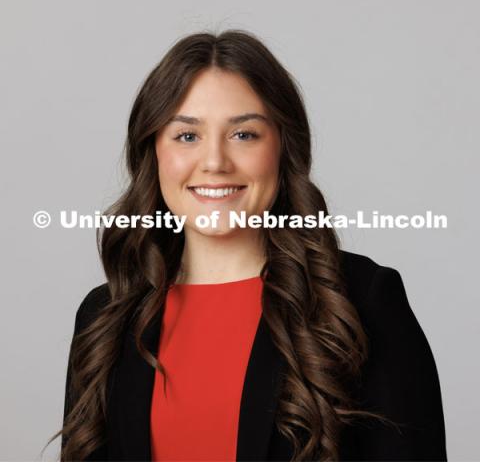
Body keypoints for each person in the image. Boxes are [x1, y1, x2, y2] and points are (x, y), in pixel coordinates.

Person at [49, 30, 447, 461]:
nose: (216, 161)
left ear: (282, 147)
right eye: (187, 136)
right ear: (154, 152)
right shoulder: (105, 317)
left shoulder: (361, 300)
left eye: (244, 135)